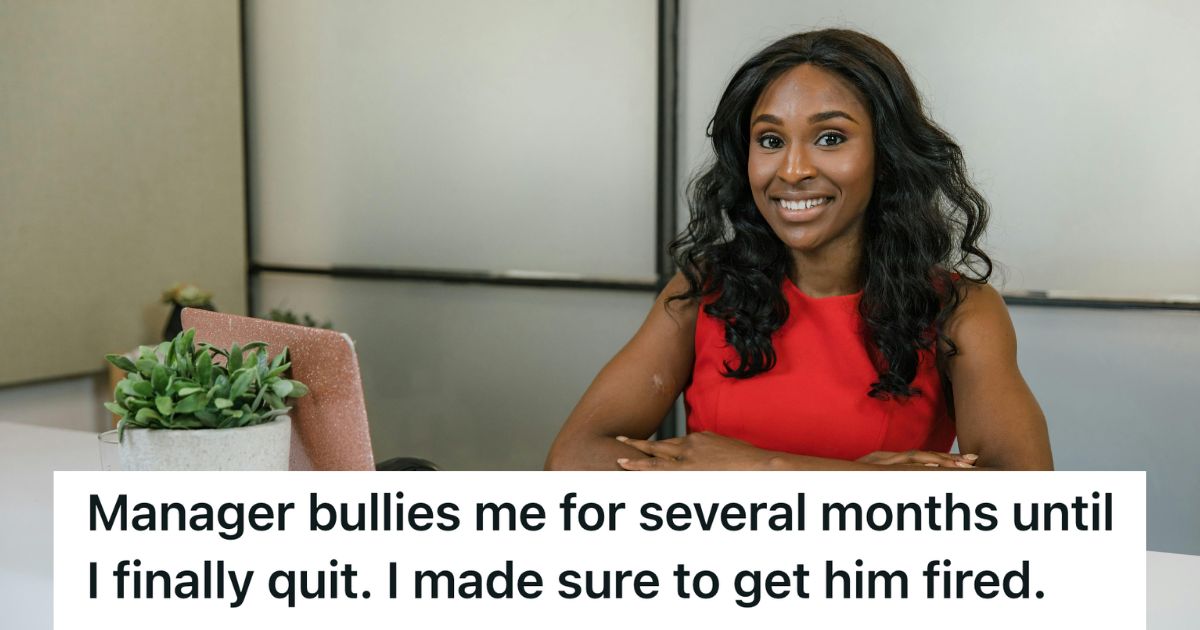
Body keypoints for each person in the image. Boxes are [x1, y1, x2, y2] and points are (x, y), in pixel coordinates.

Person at [545, 29, 1053, 471]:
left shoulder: (962, 312)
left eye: (830, 137)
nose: (791, 171)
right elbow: (572, 459)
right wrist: (878, 480)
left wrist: (761, 468)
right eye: (769, 141)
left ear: (886, 154)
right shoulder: (705, 290)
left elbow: (1024, 499)